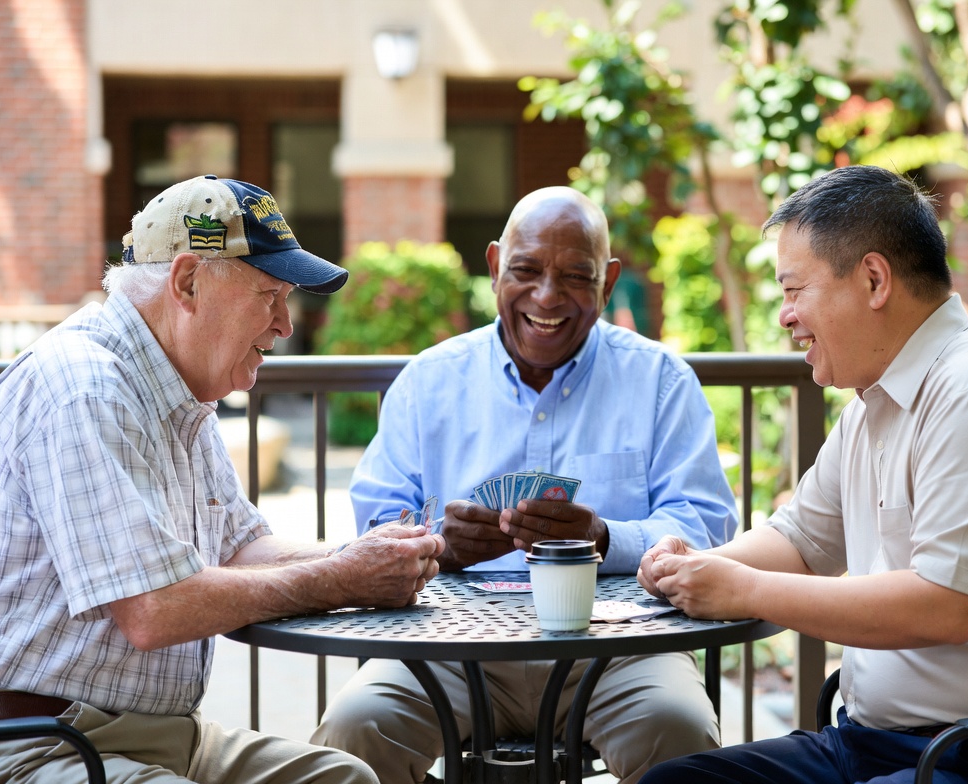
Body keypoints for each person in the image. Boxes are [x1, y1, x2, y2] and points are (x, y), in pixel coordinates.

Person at [0, 174, 445, 784]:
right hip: (26, 744)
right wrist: (339, 578)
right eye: (269, 295)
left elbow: (240, 548)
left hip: (147, 736)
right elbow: (154, 609)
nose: (285, 325)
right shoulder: (84, 386)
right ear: (187, 283)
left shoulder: (177, 391)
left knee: (347, 779)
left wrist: (372, 555)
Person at [639, 165, 968, 784]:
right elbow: (802, 543)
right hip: (875, 743)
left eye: (794, 289)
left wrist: (741, 589)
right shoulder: (873, 404)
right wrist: (694, 565)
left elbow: (947, 606)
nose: (785, 315)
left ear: (874, 280)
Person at [311, 186, 738, 784]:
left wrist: (606, 536)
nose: (547, 296)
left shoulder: (660, 381)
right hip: (446, 649)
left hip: (617, 647)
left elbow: (707, 525)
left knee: (680, 729)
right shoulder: (429, 381)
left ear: (608, 281)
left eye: (575, 277)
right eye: (526, 271)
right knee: (356, 729)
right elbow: (376, 526)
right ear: (493, 268)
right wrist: (438, 543)